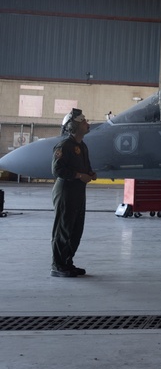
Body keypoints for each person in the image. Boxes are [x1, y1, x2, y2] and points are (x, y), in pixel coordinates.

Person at [50, 108, 96, 277]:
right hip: (66, 191)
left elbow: (85, 166)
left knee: (76, 229)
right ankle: (58, 265)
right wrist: (79, 175)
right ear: (74, 126)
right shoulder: (64, 146)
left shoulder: (82, 146)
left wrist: (90, 173)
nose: (87, 124)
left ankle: (67, 262)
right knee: (63, 229)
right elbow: (57, 170)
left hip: (78, 191)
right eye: (83, 121)